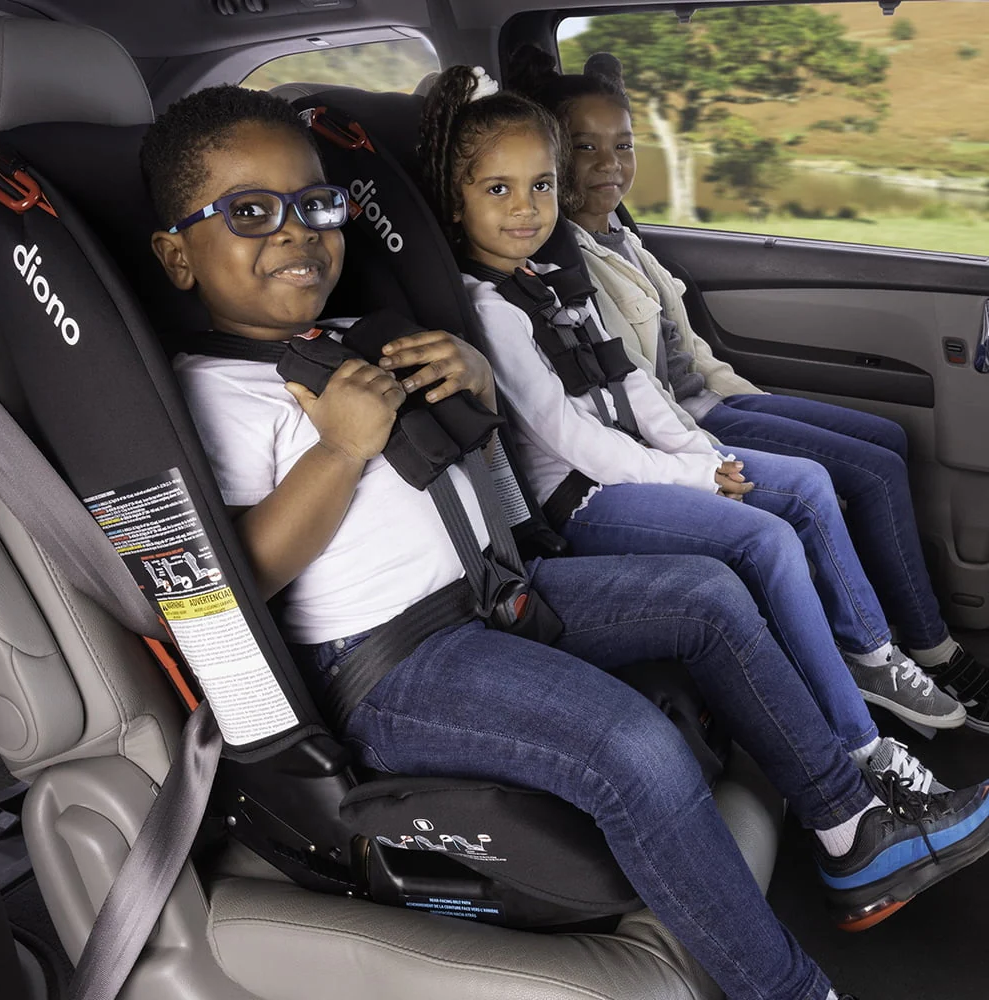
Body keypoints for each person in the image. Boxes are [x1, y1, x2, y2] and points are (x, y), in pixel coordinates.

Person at [140, 83, 989, 1000]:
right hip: (391, 665)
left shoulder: (360, 339)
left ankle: (851, 832)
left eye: (316, 206)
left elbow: (477, 479)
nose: (296, 234)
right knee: (633, 747)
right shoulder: (214, 392)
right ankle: (786, 988)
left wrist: (475, 386)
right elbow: (239, 582)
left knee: (710, 594)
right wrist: (341, 449)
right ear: (178, 256)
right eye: (251, 213)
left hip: (491, 590)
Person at [507, 46, 989, 732]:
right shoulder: (563, 260)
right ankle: (925, 648)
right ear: (556, 159)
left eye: (624, 144)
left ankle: (906, 636)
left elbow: (691, 349)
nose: (610, 163)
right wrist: (711, 449)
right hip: (685, 425)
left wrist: (759, 404)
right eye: (586, 147)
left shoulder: (621, 234)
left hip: (713, 399)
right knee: (858, 474)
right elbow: (633, 391)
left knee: (885, 440)